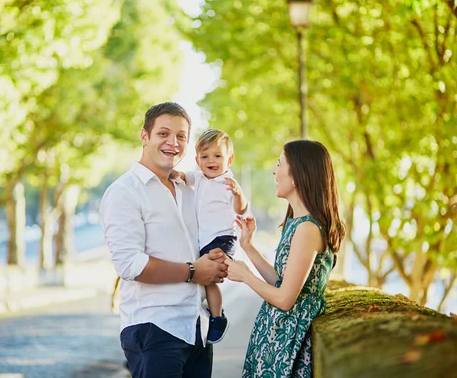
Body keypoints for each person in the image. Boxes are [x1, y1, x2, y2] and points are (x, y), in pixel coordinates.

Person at [100, 102, 228, 378]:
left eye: (181, 136)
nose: (173, 143)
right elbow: (130, 265)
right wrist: (194, 271)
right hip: (154, 329)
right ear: (144, 136)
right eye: (163, 134)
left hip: (197, 327)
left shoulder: (190, 188)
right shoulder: (124, 192)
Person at [224, 139, 345, 378]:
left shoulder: (308, 229)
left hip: (287, 344)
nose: (274, 171)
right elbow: (281, 281)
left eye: (280, 164)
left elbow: (285, 299)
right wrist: (248, 247)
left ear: (297, 175)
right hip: (276, 338)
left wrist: (246, 276)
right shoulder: (296, 223)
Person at [172, 128, 249, 344]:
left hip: (223, 238)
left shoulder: (228, 183)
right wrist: (174, 174)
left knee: (209, 278)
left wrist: (239, 195)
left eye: (217, 156)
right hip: (204, 239)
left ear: (229, 159)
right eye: (204, 156)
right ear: (197, 160)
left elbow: (241, 209)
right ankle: (213, 310)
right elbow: (183, 176)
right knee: (205, 279)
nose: (211, 161)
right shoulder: (199, 177)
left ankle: (217, 318)